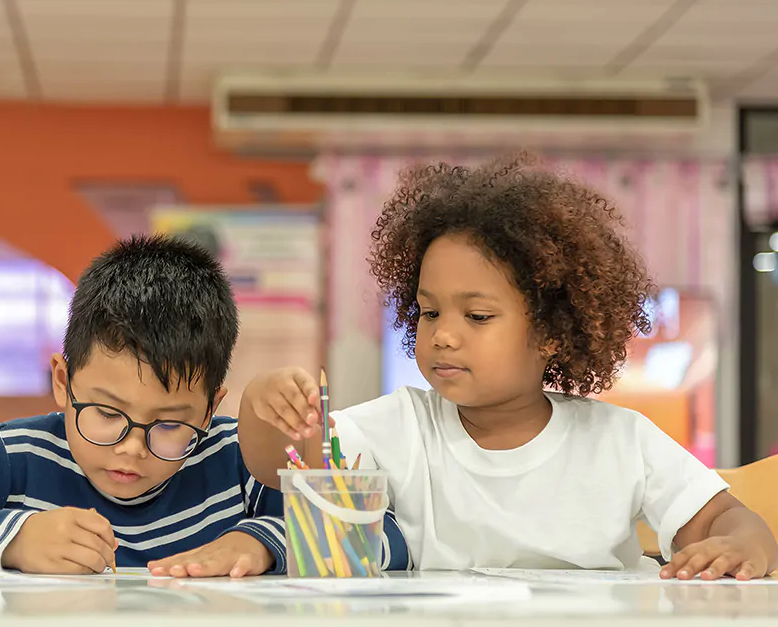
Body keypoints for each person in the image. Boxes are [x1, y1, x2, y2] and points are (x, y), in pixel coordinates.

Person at [239, 154, 778, 580]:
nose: (443, 334)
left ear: (551, 331)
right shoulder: (402, 426)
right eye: (429, 312)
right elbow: (280, 465)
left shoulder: (620, 439)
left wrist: (743, 543)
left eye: (476, 316)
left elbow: (722, 519)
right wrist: (266, 403)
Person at [0, 235, 297, 577]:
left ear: (210, 410)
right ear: (63, 383)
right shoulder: (11, 456)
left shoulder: (238, 456)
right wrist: (13, 540)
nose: (131, 449)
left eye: (170, 423)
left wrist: (261, 542)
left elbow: (358, 531)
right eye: (107, 414)